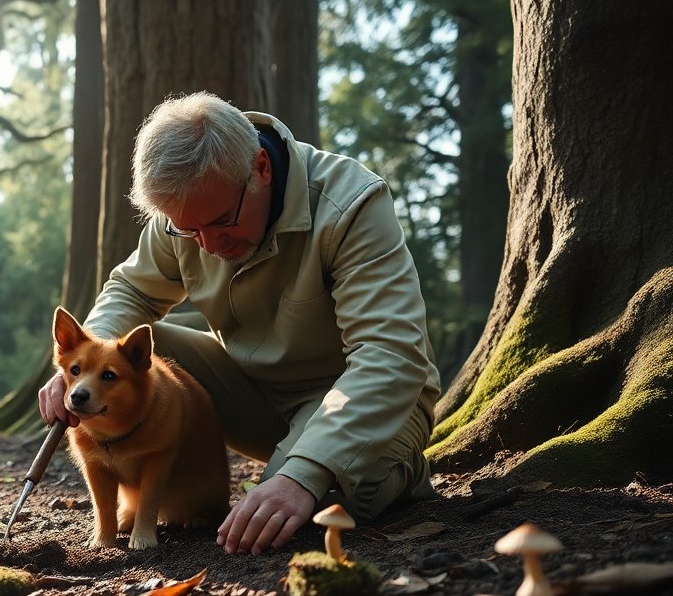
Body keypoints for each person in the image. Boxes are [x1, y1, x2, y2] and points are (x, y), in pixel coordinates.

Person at [38, 91, 440, 555]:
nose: (208, 246)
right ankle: (286, 459)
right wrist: (76, 373)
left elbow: (390, 354)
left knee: (313, 507)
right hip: (251, 389)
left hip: (354, 397)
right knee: (125, 353)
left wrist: (301, 474)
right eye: (189, 231)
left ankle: (395, 465)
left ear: (261, 168)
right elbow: (131, 291)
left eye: (220, 222)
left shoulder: (350, 205)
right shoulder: (186, 212)